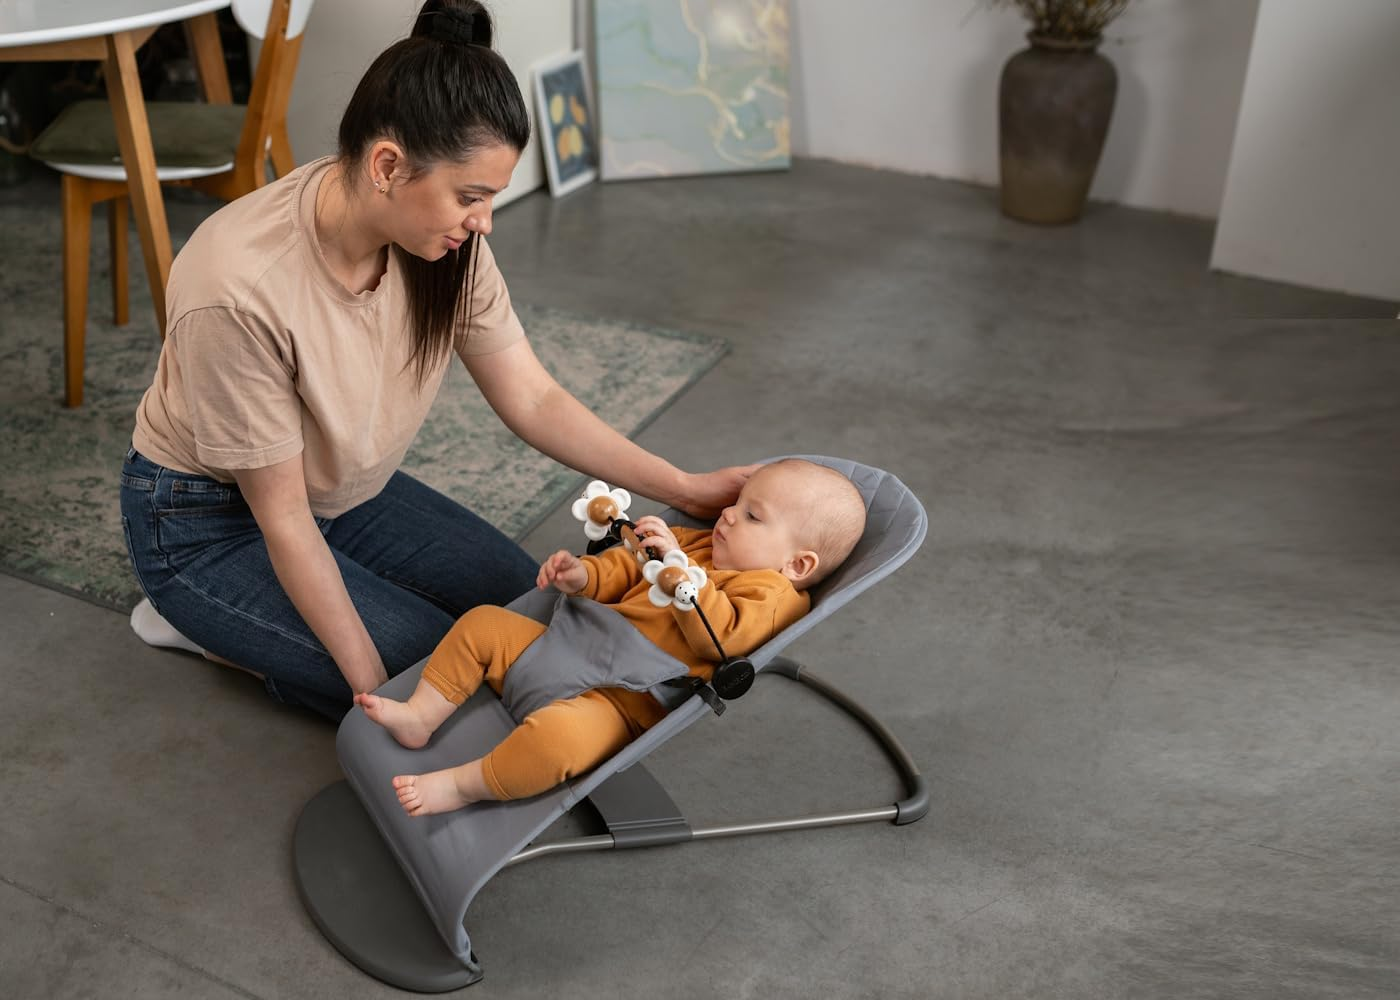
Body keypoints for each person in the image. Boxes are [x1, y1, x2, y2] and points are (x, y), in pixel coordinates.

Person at [118, 0, 753, 722]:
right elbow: (284, 519)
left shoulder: (442, 241)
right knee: (460, 686)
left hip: (339, 491)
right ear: (388, 165)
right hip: (210, 524)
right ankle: (208, 626)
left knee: (534, 613)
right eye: (471, 197)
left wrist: (687, 486)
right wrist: (374, 692)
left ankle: (270, 628)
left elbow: (533, 399)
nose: (483, 222)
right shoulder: (237, 288)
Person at [355, 459, 868, 816]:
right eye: (737, 502)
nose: (729, 514)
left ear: (797, 564)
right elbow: (624, 567)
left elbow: (724, 638)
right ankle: (424, 714)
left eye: (753, 516)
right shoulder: (699, 543)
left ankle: (465, 786)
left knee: (558, 743)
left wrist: (679, 566)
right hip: (566, 644)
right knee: (483, 624)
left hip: (617, 699)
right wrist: (582, 576)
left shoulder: (771, 592)